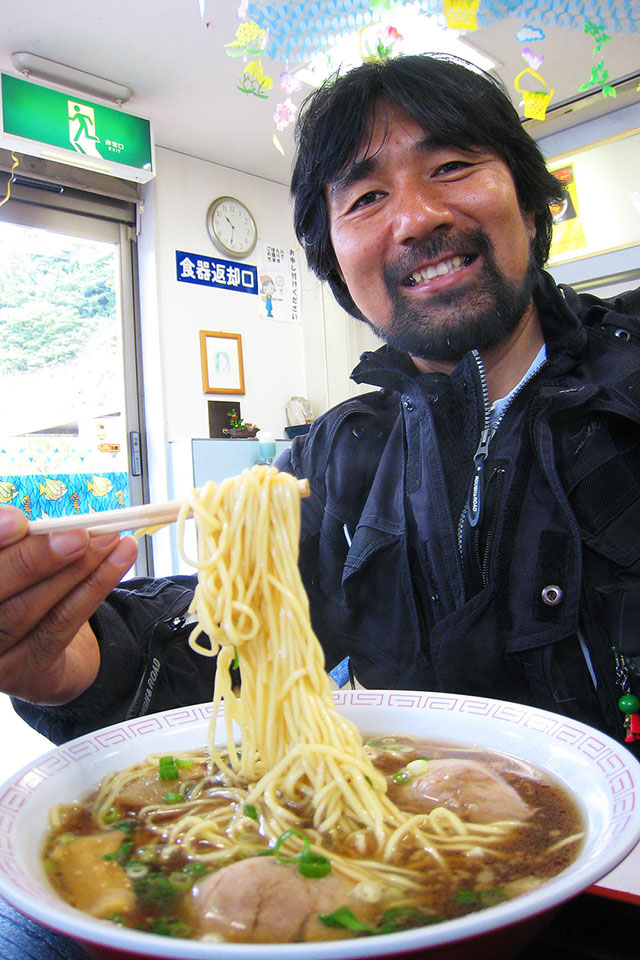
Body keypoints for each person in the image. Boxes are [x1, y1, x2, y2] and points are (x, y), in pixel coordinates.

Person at [1, 55, 639, 750]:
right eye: (366, 198)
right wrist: (77, 667)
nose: (416, 219)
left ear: (526, 195)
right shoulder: (333, 460)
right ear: (335, 259)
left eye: (452, 166)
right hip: (416, 849)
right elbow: (236, 642)